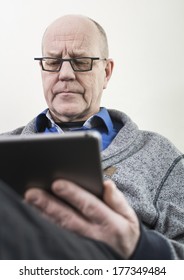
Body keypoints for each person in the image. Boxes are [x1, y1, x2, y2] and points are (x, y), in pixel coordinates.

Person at [1, 14, 184, 260]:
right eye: (53, 62)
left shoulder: (160, 156)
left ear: (106, 72)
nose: (65, 74)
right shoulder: (4, 148)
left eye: (81, 61)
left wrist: (138, 244)